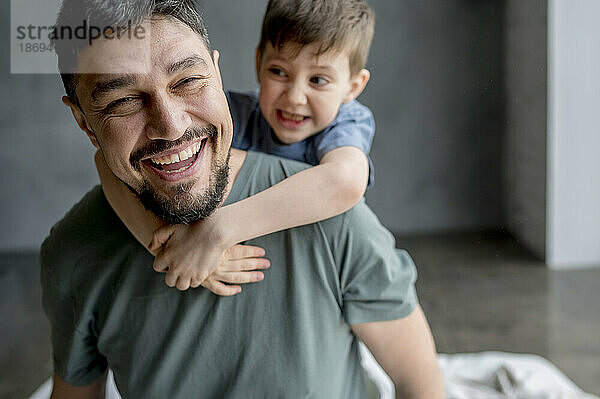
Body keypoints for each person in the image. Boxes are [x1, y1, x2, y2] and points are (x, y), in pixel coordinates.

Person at [41, 0, 445, 397]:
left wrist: (214, 233)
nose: (170, 125)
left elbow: (420, 382)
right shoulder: (74, 251)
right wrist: (165, 245)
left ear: (216, 73)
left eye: (187, 81)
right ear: (85, 123)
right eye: (124, 101)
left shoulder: (334, 214)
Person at [99, 0, 377, 293]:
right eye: (279, 72)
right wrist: (175, 252)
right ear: (259, 63)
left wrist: (216, 232)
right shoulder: (233, 113)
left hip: (325, 268)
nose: (295, 97)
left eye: (318, 80)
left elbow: (345, 181)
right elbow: (106, 164)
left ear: (353, 87)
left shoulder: (347, 122)